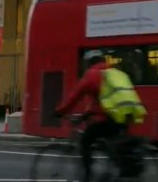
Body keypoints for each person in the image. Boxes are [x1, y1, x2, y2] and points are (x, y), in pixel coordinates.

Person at [54, 50, 147, 182]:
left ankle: (87, 176)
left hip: (106, 120)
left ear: (89, 63)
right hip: (123, 117)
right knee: (113, 144)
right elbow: (101, 102)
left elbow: (75, 96)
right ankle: (116, 169)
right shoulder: (116, 73)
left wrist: (60, 110)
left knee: (85, 141)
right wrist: (86, 114)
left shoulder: (92, 75)